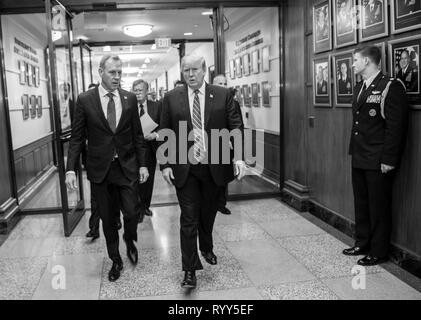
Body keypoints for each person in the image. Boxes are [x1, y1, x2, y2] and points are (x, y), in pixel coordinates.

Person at [158, 54, 246, 289]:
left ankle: (206, 245)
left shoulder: (222, 94)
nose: (190, 74)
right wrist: (165, 164)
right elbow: (165, 132)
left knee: (207, 213)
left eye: (195, 69)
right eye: (186, 70)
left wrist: (238, 158)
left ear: (204, 70)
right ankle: (189, 270)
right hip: (184, 168)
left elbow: (236, 126)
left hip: (214, 166)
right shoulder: (171, 98)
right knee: (188, 218)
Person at [65, 54, 149, 282]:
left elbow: (138, 135)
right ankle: (116, 260)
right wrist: (70, 168)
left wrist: (142, 164)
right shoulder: (85, 100)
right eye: (112, 72)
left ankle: (130, 238)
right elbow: (77, 137)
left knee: (132, 212)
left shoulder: (130, 98)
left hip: (126, 167)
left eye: (120, 72)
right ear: (100, 71)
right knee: (108, 220)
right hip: (100, 170)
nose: (117, 77)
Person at [344, 46, 408, 266]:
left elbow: (396, 128)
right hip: (360, 154)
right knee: (361, 203)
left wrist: (389, 160)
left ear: (368, 62)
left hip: (379, 158)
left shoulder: (390, 86)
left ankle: (379, 250)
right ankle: (362, 242)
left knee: (378, 206)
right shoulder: (360, 87)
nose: (353, 64)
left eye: (355, 60)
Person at [84, 82, 122, 240]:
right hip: (96, 162)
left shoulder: (113, 106)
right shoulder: (85, 107)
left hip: (115, 161)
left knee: (115, 195)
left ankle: (116, 218)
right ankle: (94, 228)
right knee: (95, 199)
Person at [212, 74, 244, 215]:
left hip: (227, 145)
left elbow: (238, 125)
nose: (223, 86)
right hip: (211, 143)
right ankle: (211, 202)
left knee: (224, 175)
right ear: (213, 84)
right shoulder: (207, 101)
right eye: (220, 83)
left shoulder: (233, 102)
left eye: (225, 83)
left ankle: (221, 203)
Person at [132, 79, 161, 219]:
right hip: (133, 150)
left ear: (146, 91)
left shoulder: (157, 106)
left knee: (148, 180)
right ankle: (137, 209)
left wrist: (155, 135)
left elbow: (164, 125)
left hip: (150, 148)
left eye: (140, 90)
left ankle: (145, 207)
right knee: (135, 180)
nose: (137, 93)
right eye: (135, 90)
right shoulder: (128, 107)